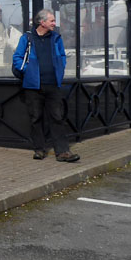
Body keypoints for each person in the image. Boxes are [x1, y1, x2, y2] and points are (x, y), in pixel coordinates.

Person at [12, 9, 80, 163]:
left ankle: (63, 152)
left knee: (57, 117)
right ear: (42, 22)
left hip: (52, 85)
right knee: (36, 118)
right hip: (33, 86)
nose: (55, 24)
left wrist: (60, 69)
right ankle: (39, 149)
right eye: (52, 21)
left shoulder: (56, 38)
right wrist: (27, 71)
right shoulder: (27, 38)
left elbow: (62, 56)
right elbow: (17, 57)